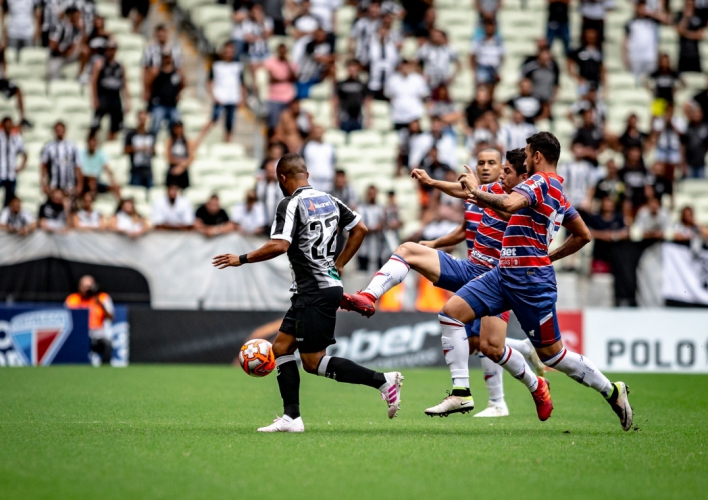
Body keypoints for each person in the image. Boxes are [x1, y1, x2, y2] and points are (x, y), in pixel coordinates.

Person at [418, 132, 631, 431]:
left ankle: (611, 390)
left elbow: (509, 204)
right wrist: (550, 256)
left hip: (531, 282)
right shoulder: (558, 192)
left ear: (538, 156)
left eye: (528, 153)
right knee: (451, 314)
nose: (525, 158)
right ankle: (462, 393)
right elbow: (583, 234)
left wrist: (476, 193)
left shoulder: (539, 181)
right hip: (504, 273)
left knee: (554, 355)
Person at [344, 149, 549, 417]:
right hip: (470, 268)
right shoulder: (489, 189)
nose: (487, 167)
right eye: (481, 163)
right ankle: (369, 296)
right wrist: (432, 183)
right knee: (408, 249)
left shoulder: (522, 200)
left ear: (508, 169)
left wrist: (476, 192)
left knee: (491, 347)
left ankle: (535, 386)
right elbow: (463, 193)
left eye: (494, 164)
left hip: (497, 282)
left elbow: (496, 205)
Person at [213, 153, 404, 433]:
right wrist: (337, 264)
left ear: (281, 178)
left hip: (313, 290)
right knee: (280, 348)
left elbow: (279, 245)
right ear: (307, 175)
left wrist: (240, 258)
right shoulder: (330, 199)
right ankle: (292, 417)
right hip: (319, 287)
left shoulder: (289, 204)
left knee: (313, 363)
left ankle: (382, 380)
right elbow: (360, 228)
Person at [65, 275, 115, 365]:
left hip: (97, 334)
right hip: (78, 335)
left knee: (107, 345)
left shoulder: (101, 298)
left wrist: (100, 304)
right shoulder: (72, 299)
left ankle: (105, 370)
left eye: (88, 287)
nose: (86, 289)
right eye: (83, 286)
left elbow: (111, 317)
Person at [90, 41, 129, 141]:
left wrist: (127, 101)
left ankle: (109, 145)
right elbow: (93, 82)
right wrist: (94, 98)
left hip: (115, 98)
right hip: (103, 96)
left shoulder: (120, 66)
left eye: (113, 49)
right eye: (109, 49)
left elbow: (124, 84)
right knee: (95, 124)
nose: (111, 51)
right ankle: (92, 144)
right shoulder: (100, 64)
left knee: (115, 126)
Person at [209, 42, 245, 143]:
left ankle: (227, 143)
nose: (229, 53)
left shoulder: (238, 66)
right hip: (220, 98)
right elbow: (209, 82)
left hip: (232, 99)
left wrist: (242, 97)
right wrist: (214, 95)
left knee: (229, 124)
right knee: (213, 120)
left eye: (231, 51)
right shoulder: (216, 65)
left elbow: (242, 83)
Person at [623, 1, 667, 81]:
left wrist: (651, 13)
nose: (642, 10)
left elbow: (667, 20)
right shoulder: (631, 23)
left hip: (650, 57)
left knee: (649, 81)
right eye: (640, 8)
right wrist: (626, 57)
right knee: (635, 81)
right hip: (635, 58)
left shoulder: (654, 22)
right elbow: (625, 42)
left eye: (644, 8)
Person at [384, 60, 430, 131]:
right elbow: (387, 96)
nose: (405, 68)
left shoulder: (418, 79)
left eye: (407, 66)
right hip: (398, 116)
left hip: (414, 115)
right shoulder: (392, 80)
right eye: (403, 66)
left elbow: (424, 96)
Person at [588, 196, 628, 273]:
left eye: (610, 204)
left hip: (615, 254)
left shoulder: (619, 218)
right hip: (599, 253)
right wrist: (602, 235)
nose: (608, 206)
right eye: (606, 203)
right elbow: (588, 232)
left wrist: (613, 236)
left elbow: (625, 233)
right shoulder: (595, 218)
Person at [41, 121, 82, 197]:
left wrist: (79, 184)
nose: (59, 132)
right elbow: (43, 166)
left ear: (65, 130)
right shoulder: (48, 147)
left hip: (69, 184)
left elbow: (78, 166)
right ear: (54, 131)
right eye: (57, 130)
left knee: (69, 206)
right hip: (54, 185)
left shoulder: (72, 146)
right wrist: (43, 183)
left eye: (61, 129)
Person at [264, 44, 298, 134]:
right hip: (274, 98)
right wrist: (285, 79)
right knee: (273, 124)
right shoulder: (270, 62)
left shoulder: (291, 63)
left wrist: (287, 64)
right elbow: (271, 79)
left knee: (287, 125)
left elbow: (294, 78)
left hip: (288, 98)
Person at [142, 24, 182, 92]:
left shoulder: (175, 49)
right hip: (155, 80)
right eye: (159, 32)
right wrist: (146, 89)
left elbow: (179, 68)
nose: (161, 35)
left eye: (163, 32)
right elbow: (145, 69)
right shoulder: (150, 49)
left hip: (169, 79)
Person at [47, 7, 83, 81]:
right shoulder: (59, 26)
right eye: (76, 16)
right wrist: (62, 52)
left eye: (79, 16)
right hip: (57, 55)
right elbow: (52, 43)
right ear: (70, 15)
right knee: (53, 75)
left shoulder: (77, 29)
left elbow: (78, 44)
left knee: (85, 50)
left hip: (68, 55)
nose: (78, 18)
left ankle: (81, 76)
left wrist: (70, 51)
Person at [567, 28, 605, 94]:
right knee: (583, 101)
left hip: (595, 83)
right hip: (583, 82)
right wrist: (577, 77)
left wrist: (604, 84)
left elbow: (602, 68)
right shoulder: (580, 51)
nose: (591, 37)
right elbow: (569, 63)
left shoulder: (598, 52)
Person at [333, 59, 367, 133]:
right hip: (344, 117)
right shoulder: (341, 84)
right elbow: (336, 101)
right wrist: (335, 117)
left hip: (358, 117)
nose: (352, 71)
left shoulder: (362, 85)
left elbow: (367, 101)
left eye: (354, 68)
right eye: (350, 68)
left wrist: (369, 118)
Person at [124, 110, 155, 188]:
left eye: (144, 119)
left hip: (148, 170)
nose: (142, 121)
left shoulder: (151, 134)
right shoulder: (131, 134)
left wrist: (150, 149)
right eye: (141, 119)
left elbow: (154, 151)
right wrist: (138, 148)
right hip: (135, 170)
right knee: (135, 192)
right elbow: (125, 149)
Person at [300, 125, 335, 192]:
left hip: (327, 183)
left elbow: (333, 163)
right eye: (316, 132)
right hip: (312, 182)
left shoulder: (329, 147)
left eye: (320, 132)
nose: (318, 134)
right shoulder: (307, 146)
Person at [470, 18, 503, 87]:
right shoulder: (479, 40)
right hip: (482, 67)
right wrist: (473, 71)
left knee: (491, 89)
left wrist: (499, 70)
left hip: (494, 68)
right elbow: (473, 55)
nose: (490, 29)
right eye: (488, 26)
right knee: (482, 89)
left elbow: (501, 56)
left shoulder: (498, 41)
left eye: (491, 26)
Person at [676, 0, 705, 74]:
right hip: (683, 54)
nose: (689, 5)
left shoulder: (699, 16)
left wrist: (685, 34)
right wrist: (686, 17)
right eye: (687, 4)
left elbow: (699, 35)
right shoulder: (681, 15)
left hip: (695, 54)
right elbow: (679, 30)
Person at [681, 105, 708, 178]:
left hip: (702, 164)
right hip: (690, 164)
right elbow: (683, 146)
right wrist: (683, 164)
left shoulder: (705, 127)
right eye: (695, 114)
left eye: (699, 113)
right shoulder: (687, 128)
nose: (697, 116)